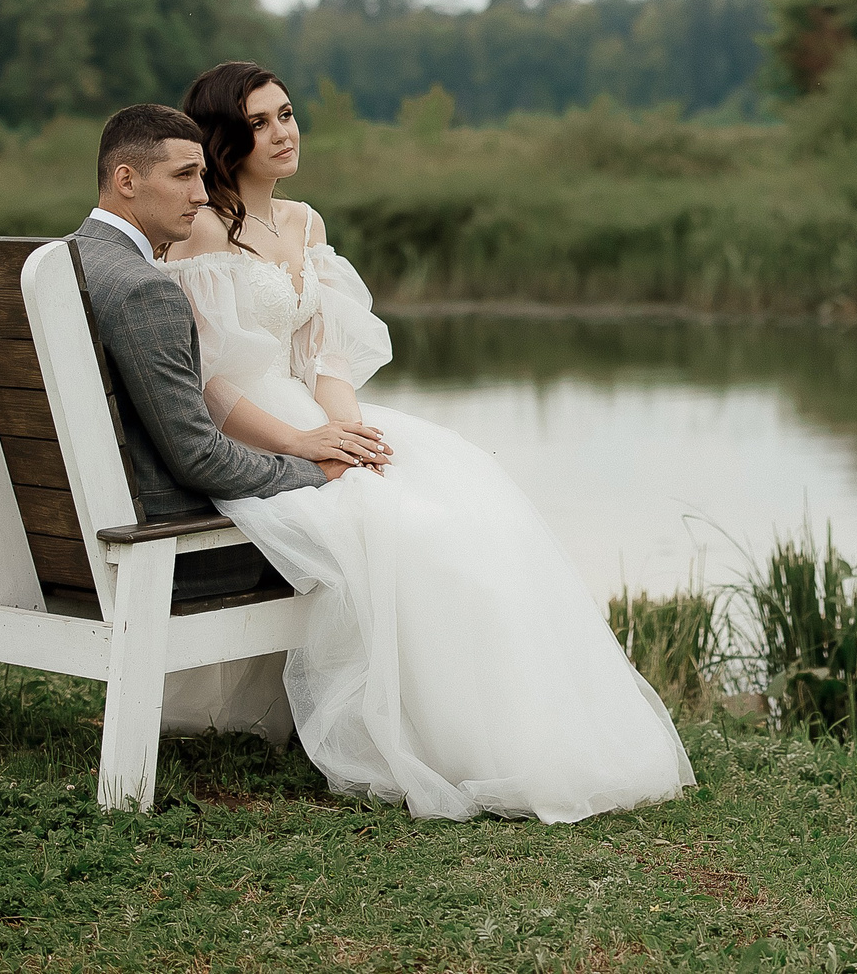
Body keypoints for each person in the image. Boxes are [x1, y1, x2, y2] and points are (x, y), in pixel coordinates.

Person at [159, 60, 695, 822]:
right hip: (255, 433)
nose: (283, 132)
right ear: (223, 138)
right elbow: (210, 383)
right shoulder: (205, 227)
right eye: (259, 122)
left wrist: (349, 427)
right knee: (404, 529)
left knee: (475, 503)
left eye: (286, 113)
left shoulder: (306, 223)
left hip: (316, 417)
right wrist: (306, 441)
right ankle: (433, 740)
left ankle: (517, 733)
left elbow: (325, 356)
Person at [72, 104, 379, 601]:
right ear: (125, 180)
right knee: (381, 538)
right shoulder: (144, 291)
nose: (200, 194)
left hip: (68, 528)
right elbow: (200, 459)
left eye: (202, 175)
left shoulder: (66, 258)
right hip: (169, 542)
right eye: (184, 176)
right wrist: (314, 471)